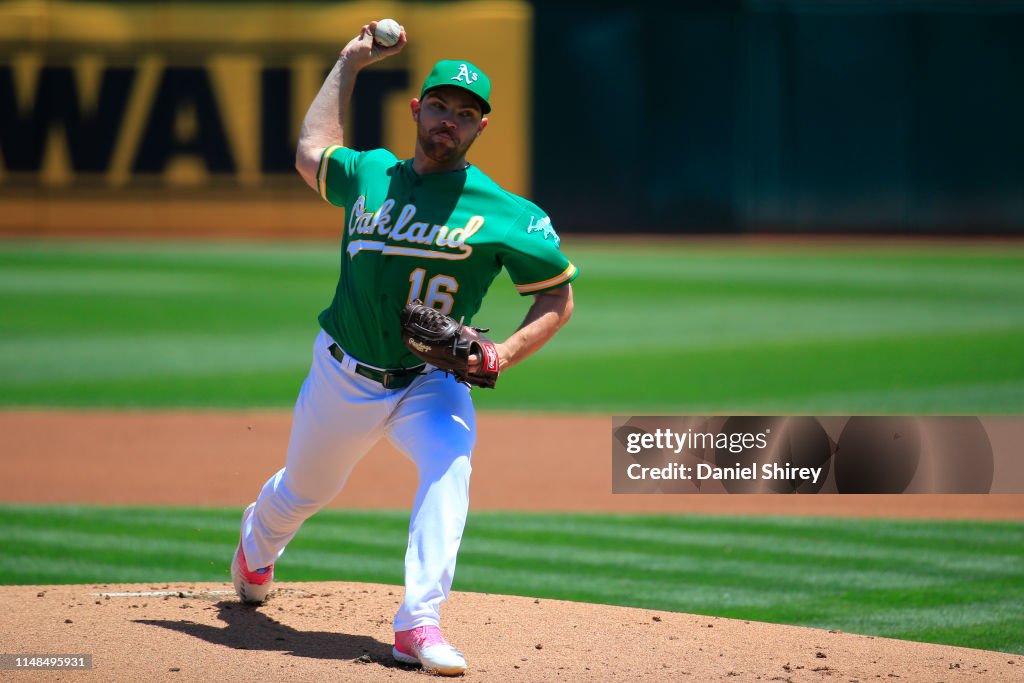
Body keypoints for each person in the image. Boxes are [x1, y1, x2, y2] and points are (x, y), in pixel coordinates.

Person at [230, 20, 577, 676]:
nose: (451, 119)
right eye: (441, 105)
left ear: (481, 129)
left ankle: (418, 622)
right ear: (418, 109)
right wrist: (350, 62)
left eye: (466, 114)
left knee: (451, 465)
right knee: (305, 489)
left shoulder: (506, 212)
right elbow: (311, 150)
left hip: (430, 377)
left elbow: (558, 297)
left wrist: (501, 351)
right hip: (344, 374)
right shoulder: (370, 173)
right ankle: (256, 542)